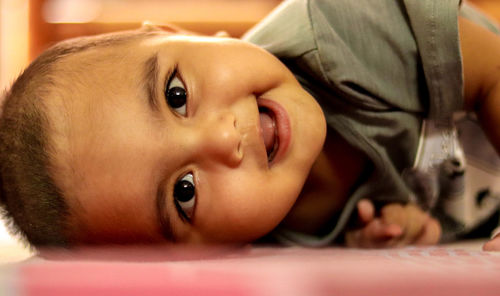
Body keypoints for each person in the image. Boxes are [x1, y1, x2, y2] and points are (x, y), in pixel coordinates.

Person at [0, 0, 498, 250]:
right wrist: (394, 235)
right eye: (185, 193)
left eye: (176, 95)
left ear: (176, 33)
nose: (222, 138)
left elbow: (492, 71)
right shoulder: (272, 244)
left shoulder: (342, 29)